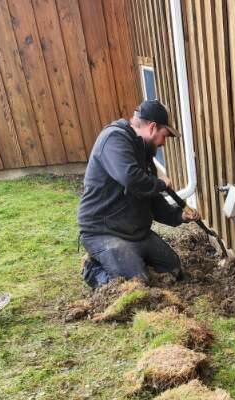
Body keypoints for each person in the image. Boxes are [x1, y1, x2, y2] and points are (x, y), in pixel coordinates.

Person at [77, 100, 199, 288]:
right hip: (103, 231)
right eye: (163, 136)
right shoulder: (114, 139)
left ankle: (129, 261)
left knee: (173, 269)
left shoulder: (142, 152)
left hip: (135, 233)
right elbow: (131, 178)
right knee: (136, 284)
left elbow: (149, 196)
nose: (163, 143)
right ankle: (93, 269)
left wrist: (178, 215)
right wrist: (160, 183)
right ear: (152, 127)